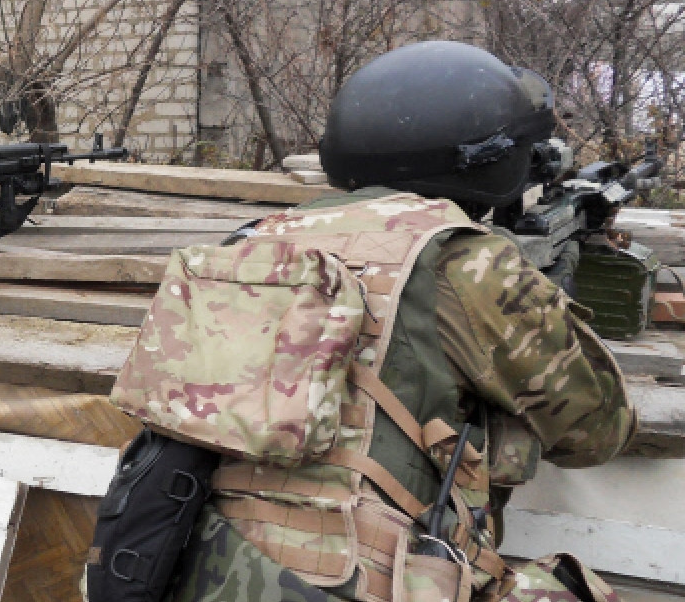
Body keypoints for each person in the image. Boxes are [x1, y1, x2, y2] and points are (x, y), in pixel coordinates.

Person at [159, 41, 636, 602]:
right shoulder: (468, 264)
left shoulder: (252, 243)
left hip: (204, 567)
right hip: (362, 576)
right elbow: (596, 433)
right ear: (491, 158)